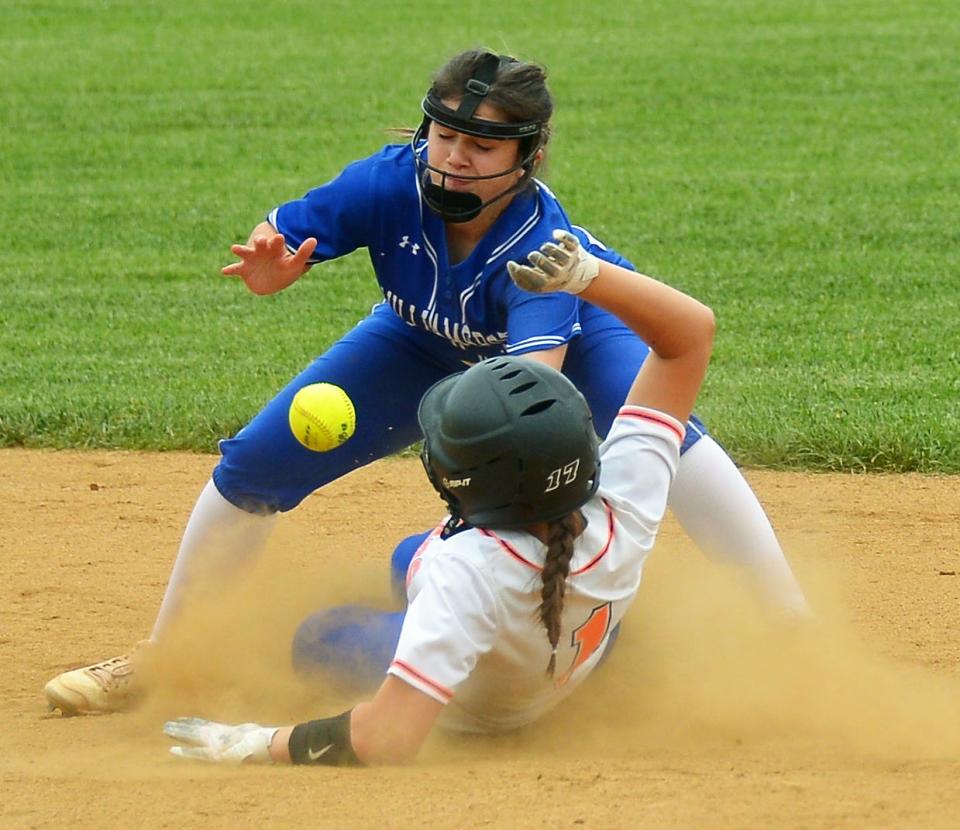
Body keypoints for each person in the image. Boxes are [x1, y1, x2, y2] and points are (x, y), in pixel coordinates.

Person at [44, 49, 805, 717]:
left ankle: (788, 632)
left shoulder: (539, 248)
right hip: (424, 338)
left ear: (530, 155)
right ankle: (163, 655)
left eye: (482, 143)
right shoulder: (387, 183)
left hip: (570, 341)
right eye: (446, 135)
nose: (456, 157)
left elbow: (526, 400)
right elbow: (287, 238)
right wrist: (275, 267)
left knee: (665, 442)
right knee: (253, 467)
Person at [164, 228, 716, 765]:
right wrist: (588, 276)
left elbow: (388, 737)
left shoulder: (464, 572)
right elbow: (690, 334)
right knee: (408, 558)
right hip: (577, 642)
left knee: (318, 638)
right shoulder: (624, 496)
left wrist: (251, 743)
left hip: (485, 711)